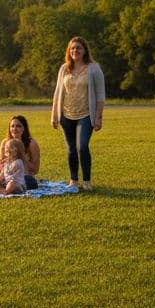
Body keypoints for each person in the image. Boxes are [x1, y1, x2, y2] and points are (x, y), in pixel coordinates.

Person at [50, 35, 106, 191]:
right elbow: (57, 93)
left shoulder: (94, 68)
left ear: (84, 50)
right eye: (72, 48)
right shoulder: (64, 68)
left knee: (82, 146)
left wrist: (98, 117)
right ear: (69, 51)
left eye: (78, 48)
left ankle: (87, 181)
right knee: (71, 149)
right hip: (66, 115)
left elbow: (101, 95)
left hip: (86, 115)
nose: (75, 50)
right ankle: (74, 181)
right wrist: (54, 115)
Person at [0, 115, 41, 191]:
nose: (15, 129)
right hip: (7, 178)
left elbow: (36, 170)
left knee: (26, 181)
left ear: (24, 128)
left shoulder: (31, 143)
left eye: (18, 126)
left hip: (24, 178)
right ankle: (5, 188)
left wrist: (22, 159)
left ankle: (5, 189)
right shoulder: (5, 142)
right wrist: (4, 164)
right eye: (12, 126)